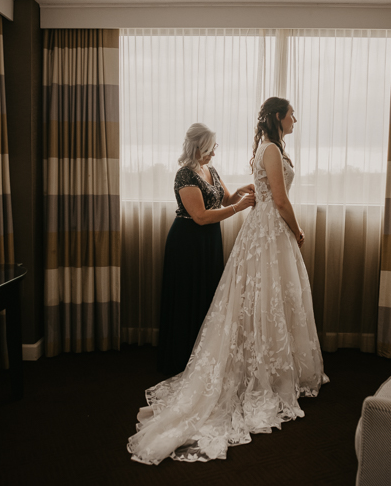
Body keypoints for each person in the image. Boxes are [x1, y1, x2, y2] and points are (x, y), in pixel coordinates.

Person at [128, 98, 328, 465]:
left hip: (249, 232)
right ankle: (234, 364)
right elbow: (275, 201)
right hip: (206, 238)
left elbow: (238, 194)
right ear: (278, 118)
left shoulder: (226, 165)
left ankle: (273, 359)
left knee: (265, 297)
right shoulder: (192, 173)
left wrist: (245, 196)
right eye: (292, 113)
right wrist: (295, 228)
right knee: (252, 297)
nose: (295, 118)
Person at [157, 123, 256, 375]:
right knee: (188, 296)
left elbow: (225, 199)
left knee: (208, 294)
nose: (213, 154)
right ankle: (182, 358)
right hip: (187, 242)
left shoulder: (209, 169)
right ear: (197, 147)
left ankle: (204, 354)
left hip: (209, 241)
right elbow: (200, 216)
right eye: (210, 149)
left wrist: (240, 193)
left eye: (214, 149)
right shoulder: (184, 175)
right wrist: (240, 207)